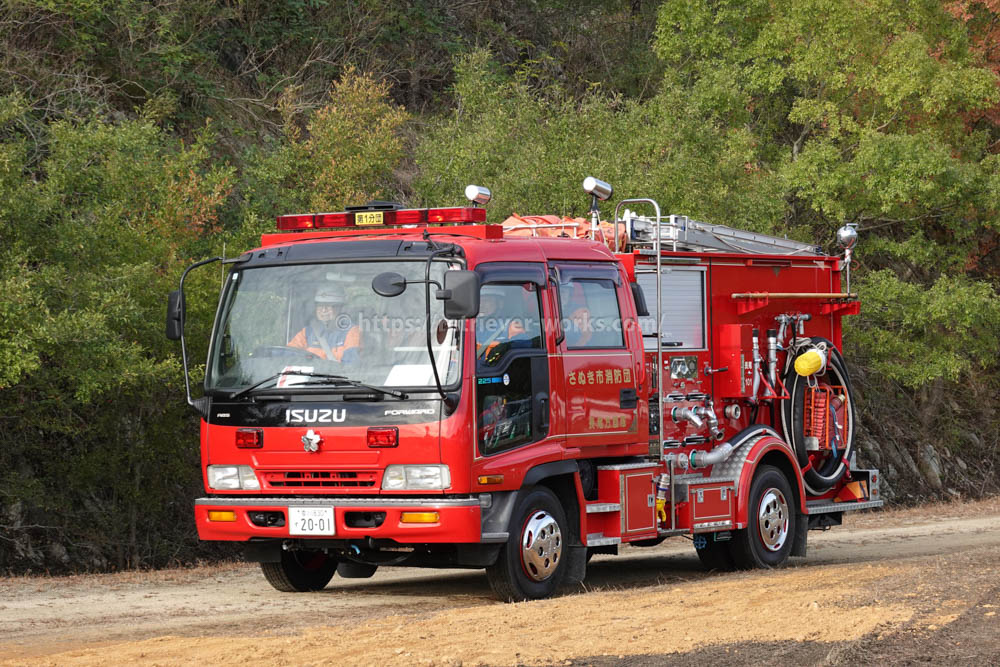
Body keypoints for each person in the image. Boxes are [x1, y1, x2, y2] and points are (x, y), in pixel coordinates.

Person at [288, 284, 360, 363]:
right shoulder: (307, 332)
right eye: (320, 305)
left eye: (329, 305)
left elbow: (351, 366)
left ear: (341, 308)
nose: (323, 310)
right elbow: (288, 354)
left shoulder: (352, 332)